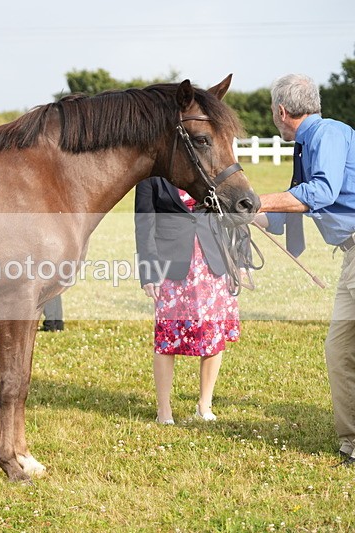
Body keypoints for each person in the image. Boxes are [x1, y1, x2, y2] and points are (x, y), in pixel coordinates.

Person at [256, 73, 355, 465]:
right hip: (350, 255)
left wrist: (258, 199)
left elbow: (323, 192)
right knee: (339, 349)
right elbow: (285, 217)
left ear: (281, 111)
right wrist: (243, 213)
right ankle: (351, 441)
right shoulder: (305, 145)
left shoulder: (327, 134)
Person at [135, 176, 244, 425]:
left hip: (213, 261)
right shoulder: (151, 176)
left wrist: (239, 260)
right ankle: (164, 410)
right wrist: (148, 272)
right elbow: (144, 224)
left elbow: (232, 218)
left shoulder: (207, 165)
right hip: (170, 266)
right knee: (166, 338)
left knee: (213, 335)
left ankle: (204, 405)